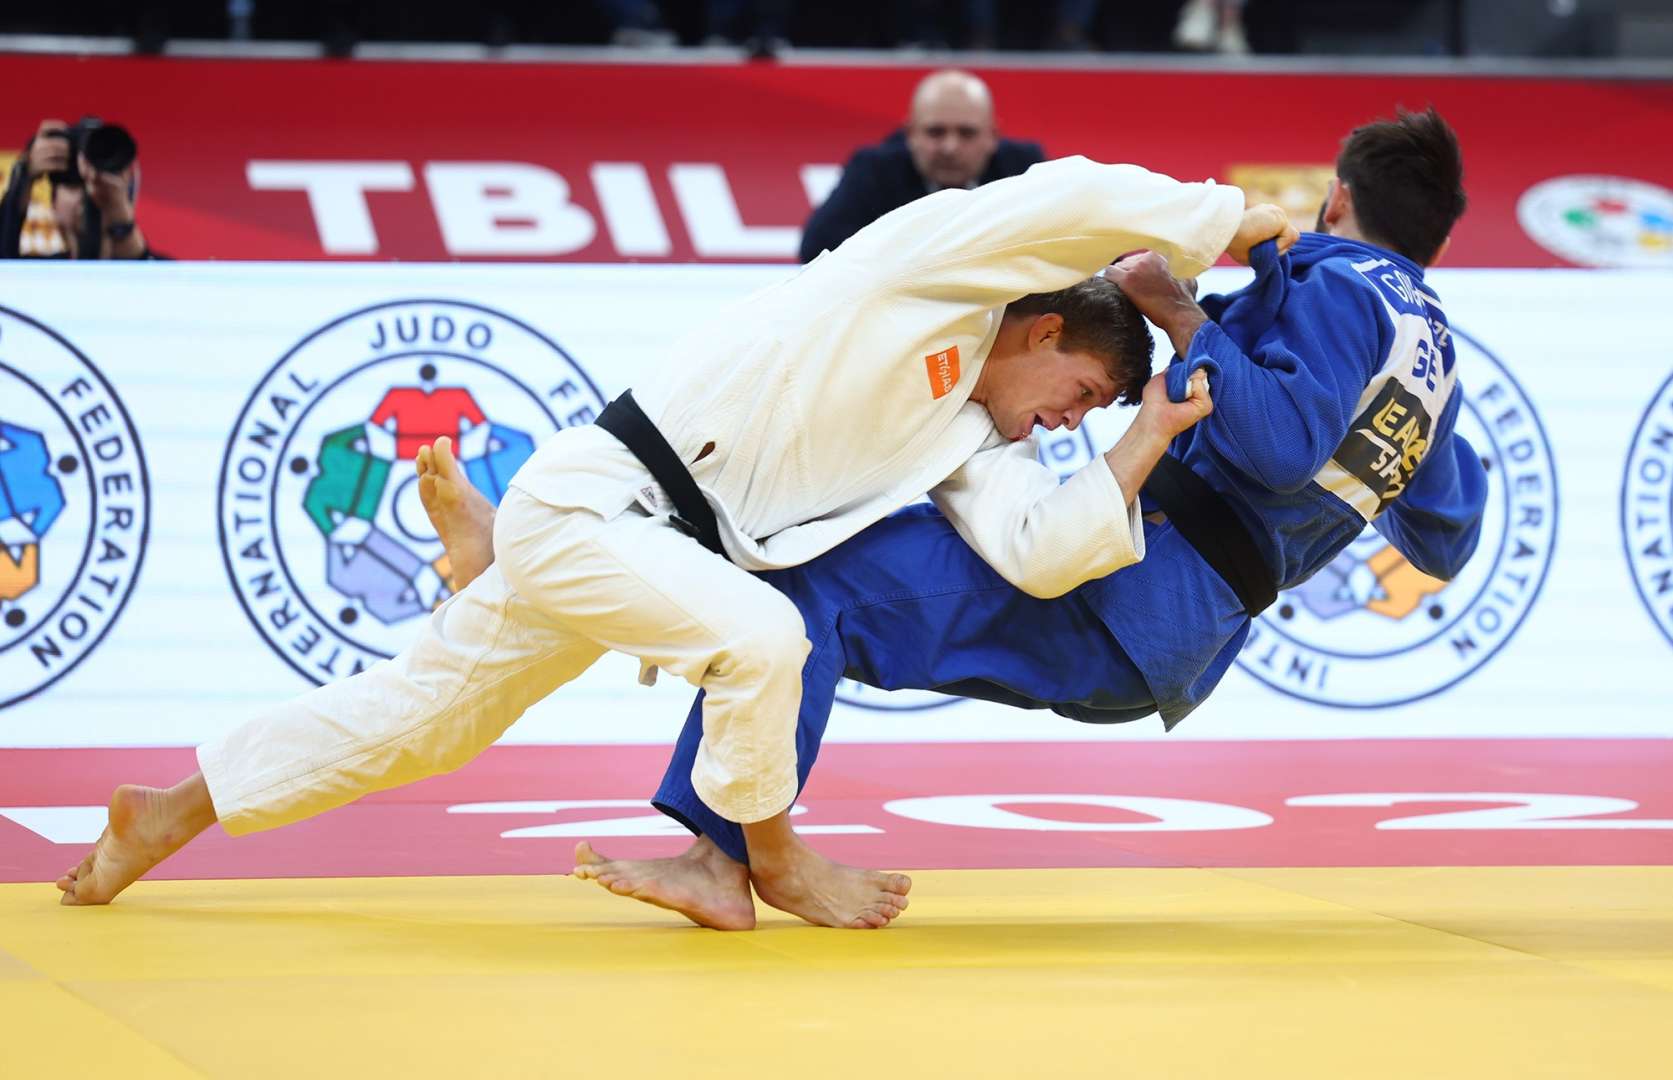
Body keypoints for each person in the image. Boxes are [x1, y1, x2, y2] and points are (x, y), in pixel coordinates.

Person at [56, 156, 1294, 927]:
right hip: (602, 503)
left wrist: (1143, 436)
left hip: (644, 543)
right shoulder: (924, 280)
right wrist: (1224, 219)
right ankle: (759, 862)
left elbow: (1041, 551)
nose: (1071, 421)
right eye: (1081, 395)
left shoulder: (965, 436)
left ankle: (168, 809)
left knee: (431, 719)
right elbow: (1057, 197)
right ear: (1040, 328)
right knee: (765, 642)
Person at [553, 106, 1479, 928]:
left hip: (1128, 592)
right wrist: (1346, 481)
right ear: (1435, 237)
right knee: (803, 588)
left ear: (1334, 199)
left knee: (809, 597)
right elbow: (1444, 538)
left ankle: (727, 861)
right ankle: (721, 844)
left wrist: (1181, 316)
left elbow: (1276, 445)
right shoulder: (1433, 364)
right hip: (1182, 632)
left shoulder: (1329, 284)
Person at [798, 69, 1045, 263]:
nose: (950, 147)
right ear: (910, 134)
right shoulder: (874, 170)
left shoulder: (1024, 169)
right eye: (935, 132)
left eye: (967, 133)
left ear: (993, 136)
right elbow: (816, 246)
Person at [0, 117, 154, 260]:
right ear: (54, 201)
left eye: (102, 181)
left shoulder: (164, 272)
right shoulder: (40, 273)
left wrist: (121, 224)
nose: (90, 191)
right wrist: (24, 176)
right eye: (73, 184)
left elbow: (143, 272)